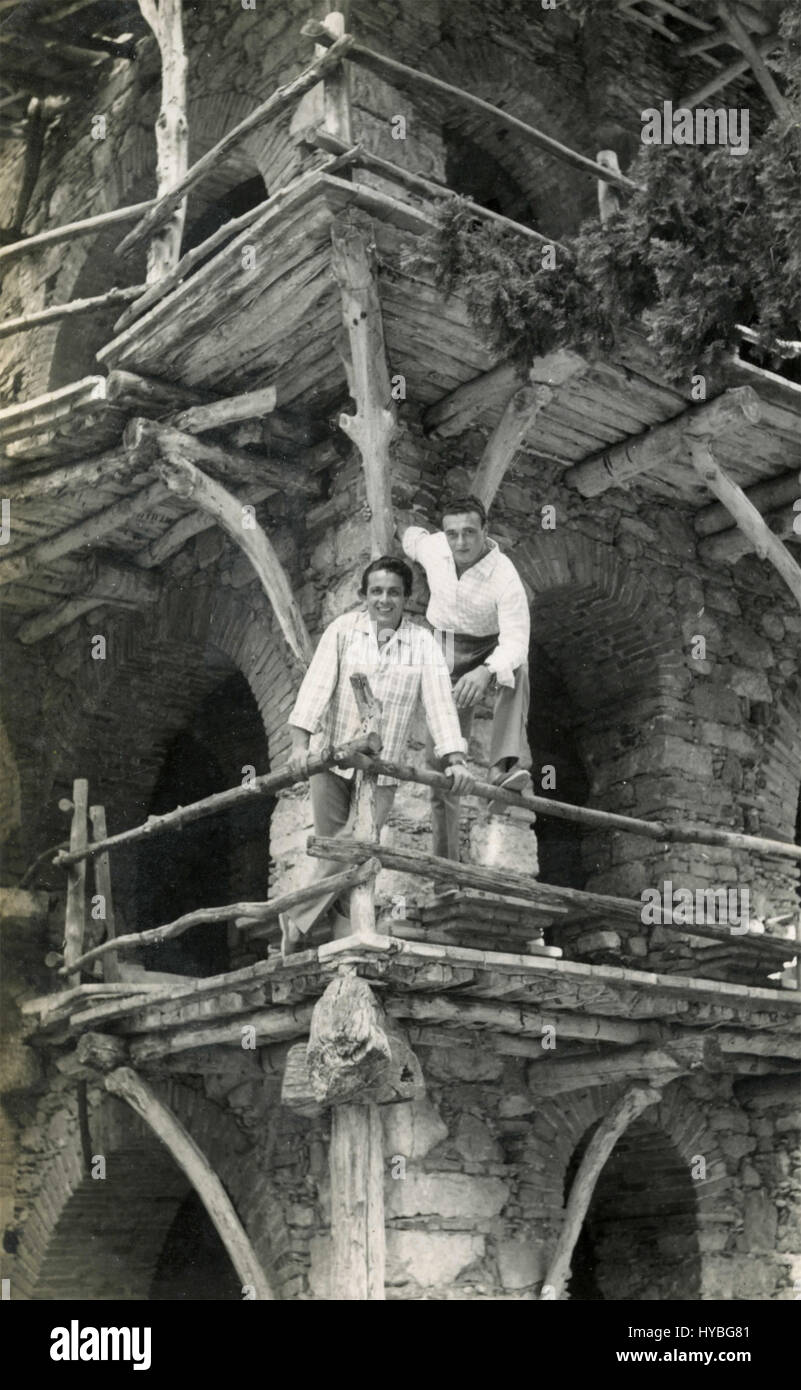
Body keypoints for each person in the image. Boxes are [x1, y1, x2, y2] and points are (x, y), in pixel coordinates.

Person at [281, 555, 472, 953]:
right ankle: (345, 938)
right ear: (364, 595)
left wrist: (454, 757)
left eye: (394, 593)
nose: (384, 600)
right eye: (376, 592)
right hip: (331, 759)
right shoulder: (343, 631)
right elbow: (316, 687)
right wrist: (300, 745)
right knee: (337, 845)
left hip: (381, 772)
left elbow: (439, 703)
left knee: (358, 844)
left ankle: (295, 920)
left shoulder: (422, 644)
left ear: (406, 599)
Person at [402, 494, 532, 862]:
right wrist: (393, 523)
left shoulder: (505, 575)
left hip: (491, 644)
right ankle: (447, 867)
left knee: (518, 667)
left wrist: (485, 670)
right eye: (453, 534)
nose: (460, 542)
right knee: (441, 761)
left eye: (469, 533)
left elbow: (516, 641)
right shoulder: (433, 549)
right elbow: (409, 534)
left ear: (485, 532)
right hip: (444, 643)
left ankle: (503, 766)